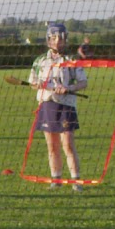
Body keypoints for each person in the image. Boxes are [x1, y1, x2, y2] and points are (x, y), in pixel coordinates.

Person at [29, 22, 88, 191]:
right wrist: (38, 84)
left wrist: (68, 88)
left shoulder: (71, 60)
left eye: (60, 38)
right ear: (48, 40)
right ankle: (56, 179)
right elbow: (33, 82)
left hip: (66, 105)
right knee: (52, 145)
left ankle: (76, 181)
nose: (57, 42)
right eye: (54, 38)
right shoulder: (40, 61)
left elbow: (83, 83)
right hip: (47, 103)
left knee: (68, 144)